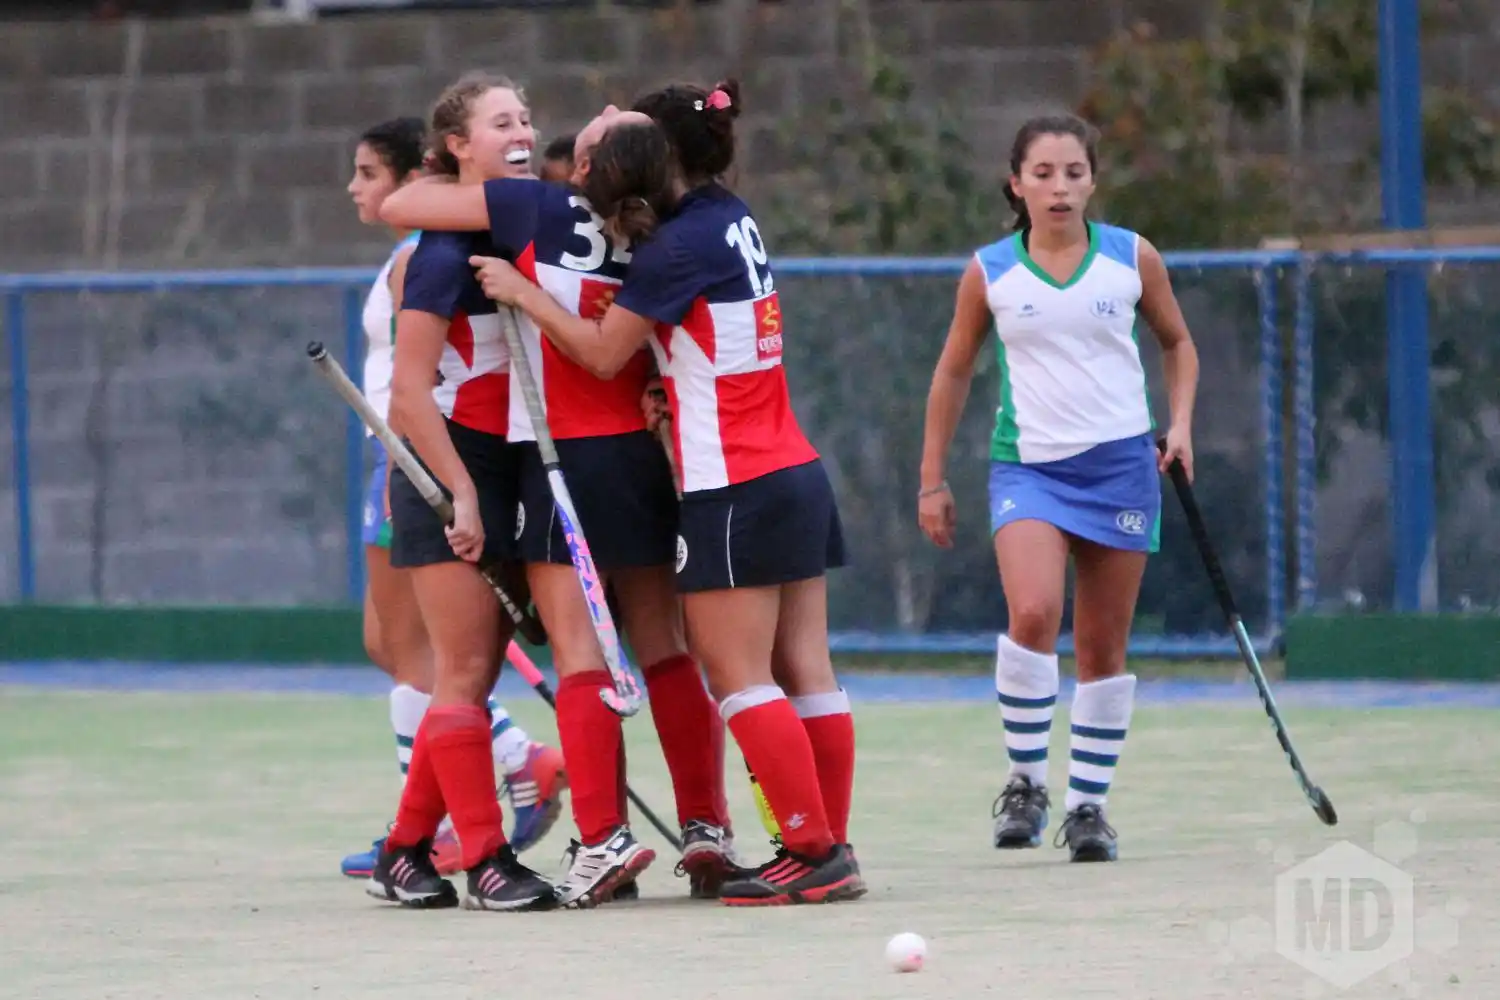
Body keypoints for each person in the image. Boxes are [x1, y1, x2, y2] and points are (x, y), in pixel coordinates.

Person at [470, 79, 863, 908]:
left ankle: (810, 846)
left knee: (739, 676)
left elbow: (604, 353)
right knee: (808, 670)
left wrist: (524, 291)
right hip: (793, 463)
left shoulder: (675, 247)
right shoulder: (732, 214)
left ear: (665, 157)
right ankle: (824, 841)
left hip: (735, 479)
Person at [379, 107, 737, 907]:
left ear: (584, 170)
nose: (532, 130)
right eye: (505, 118)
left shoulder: (535, 211)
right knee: (659, 646)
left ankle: (598, 840)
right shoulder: (661, 232)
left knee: (576, 654)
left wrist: (458, 183)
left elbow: (401, 205)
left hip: (559, 461)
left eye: (535, 122)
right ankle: (705, 826)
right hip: (619, 458)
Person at [916, 113, 1200, 862]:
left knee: (1103, 646)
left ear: (1092, 181)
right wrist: (930, 480)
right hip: (1030, 468)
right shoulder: (991, 271)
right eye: (1042, 173)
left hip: (1121, 468)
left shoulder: (1131, 258)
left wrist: (1182, 424)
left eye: (1073, 172)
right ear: (1016, 183)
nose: (1059, 188)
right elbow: (952, 370)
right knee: (1035, 611)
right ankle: (1025, 784)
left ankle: (1087, 809)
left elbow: (1177, 342)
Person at [338, 117, 564, 882]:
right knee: (415, 653)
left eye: (369, 173)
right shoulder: (423, 252)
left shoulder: (438, 251)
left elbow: (419, 386)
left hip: (447, 463)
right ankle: (461, 828)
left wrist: (457, 486)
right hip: (412, 463)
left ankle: (426, 831)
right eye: (503, 121)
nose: (355, 188)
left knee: (430, 662)